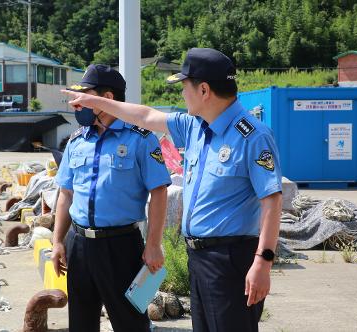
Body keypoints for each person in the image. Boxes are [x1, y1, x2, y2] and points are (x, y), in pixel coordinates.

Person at [62, 48, 283, 332]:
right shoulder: (194, 127)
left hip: (232, 258)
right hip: (198, 257)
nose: (182, 94)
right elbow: (144, 115)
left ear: (204, 90)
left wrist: (263, 262)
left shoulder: (252, 136)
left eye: (184, 87)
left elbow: (272, 201)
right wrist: (93, 100)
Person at [52, 64, 172, 332]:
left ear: (106, 99)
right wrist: (58, 241)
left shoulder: (141, 139)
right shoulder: (76, 141)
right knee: (81, 323)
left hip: (121, 246)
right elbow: (66, 194)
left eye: (84, 96)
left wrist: (153, 244)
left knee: (130, 323)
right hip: (79, 244)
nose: (77, 104)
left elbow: (159, 191)